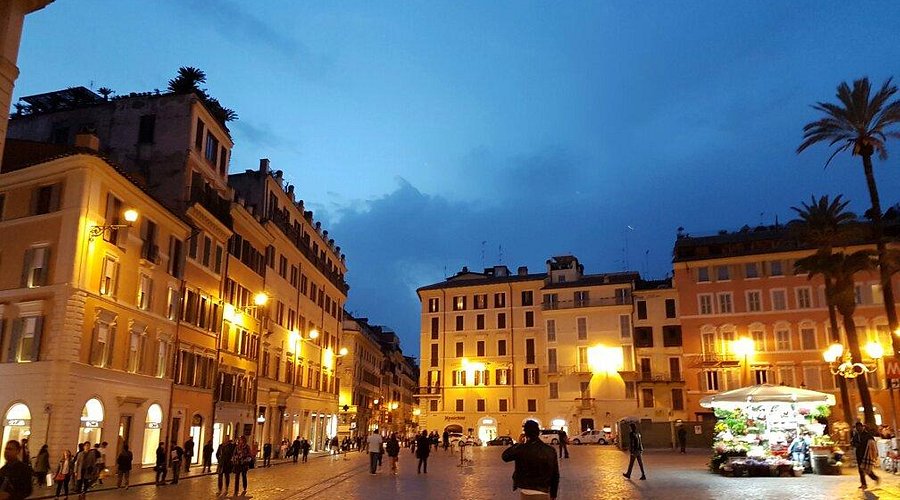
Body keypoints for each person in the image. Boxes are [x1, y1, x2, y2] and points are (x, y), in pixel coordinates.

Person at [501, 420, 560, 500]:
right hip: (543, 490)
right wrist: (554, 494)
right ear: (538, 432)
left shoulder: (521, 449)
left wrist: (519, 444)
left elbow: (505, 457)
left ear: (525, 433)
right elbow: (555, 474)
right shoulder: (550, 450)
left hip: (526, 490)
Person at [851, 422, 880, 489]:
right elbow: (853, 442)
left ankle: (875, 478)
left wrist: (874, 453)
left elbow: (872, 444)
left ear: (862, 427)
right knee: (860, 469)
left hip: (866, 454)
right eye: (857, 428)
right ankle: (864, 484)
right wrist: (855, 444)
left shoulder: (867, 435)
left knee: (867, 469)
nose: (858, 429)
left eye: (859, 427)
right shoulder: (856, 435)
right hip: (859, 454)